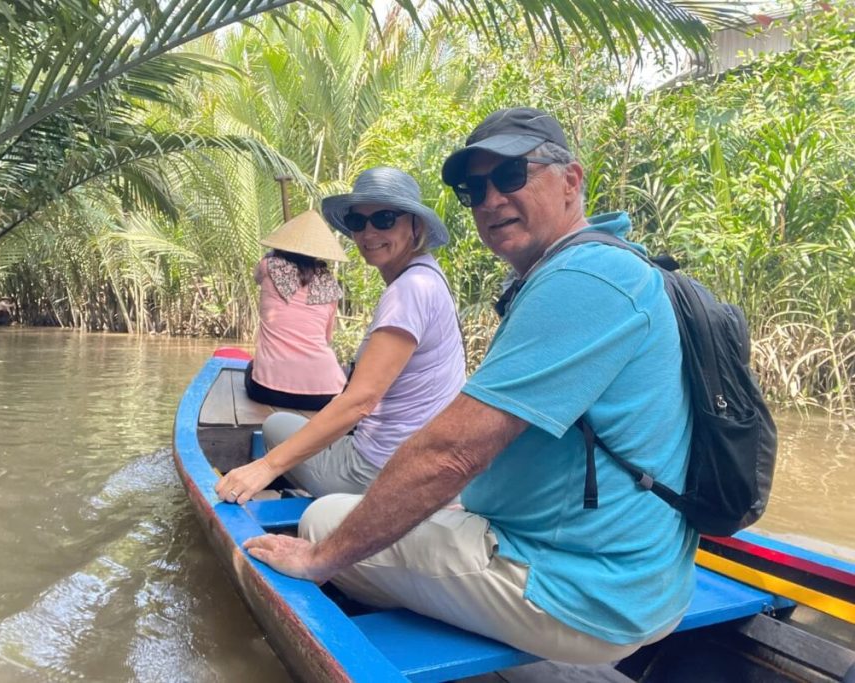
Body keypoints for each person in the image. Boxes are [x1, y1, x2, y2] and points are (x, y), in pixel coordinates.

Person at [243, 108, 697, 664]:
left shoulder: (582, 281)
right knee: (397, 511)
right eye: (473, 189)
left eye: (510, 176)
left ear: (571, 181)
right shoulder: (610, 265)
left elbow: (449, 454)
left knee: (322, 522)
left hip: (584, 592)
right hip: (626, 576)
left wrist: (319, 560)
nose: (489, 200)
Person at [215, 167, 465, 504]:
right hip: (417, 460)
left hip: (381, 472)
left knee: (276, 427)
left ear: (415, 226)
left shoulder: (409, 290)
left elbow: (361, 401)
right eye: (358, 221)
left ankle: (324, 497)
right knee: (295, 424)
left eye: (385, 219)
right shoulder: (430, 277)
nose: (368, 233)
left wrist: (266, 467)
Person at [246, 210, 348, 411]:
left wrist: (273, 255)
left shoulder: (268, 266)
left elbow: (257, 277)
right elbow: (326, 339)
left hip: (267, 388)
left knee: (251, 367)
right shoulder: (330, 286)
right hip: (326, 393)